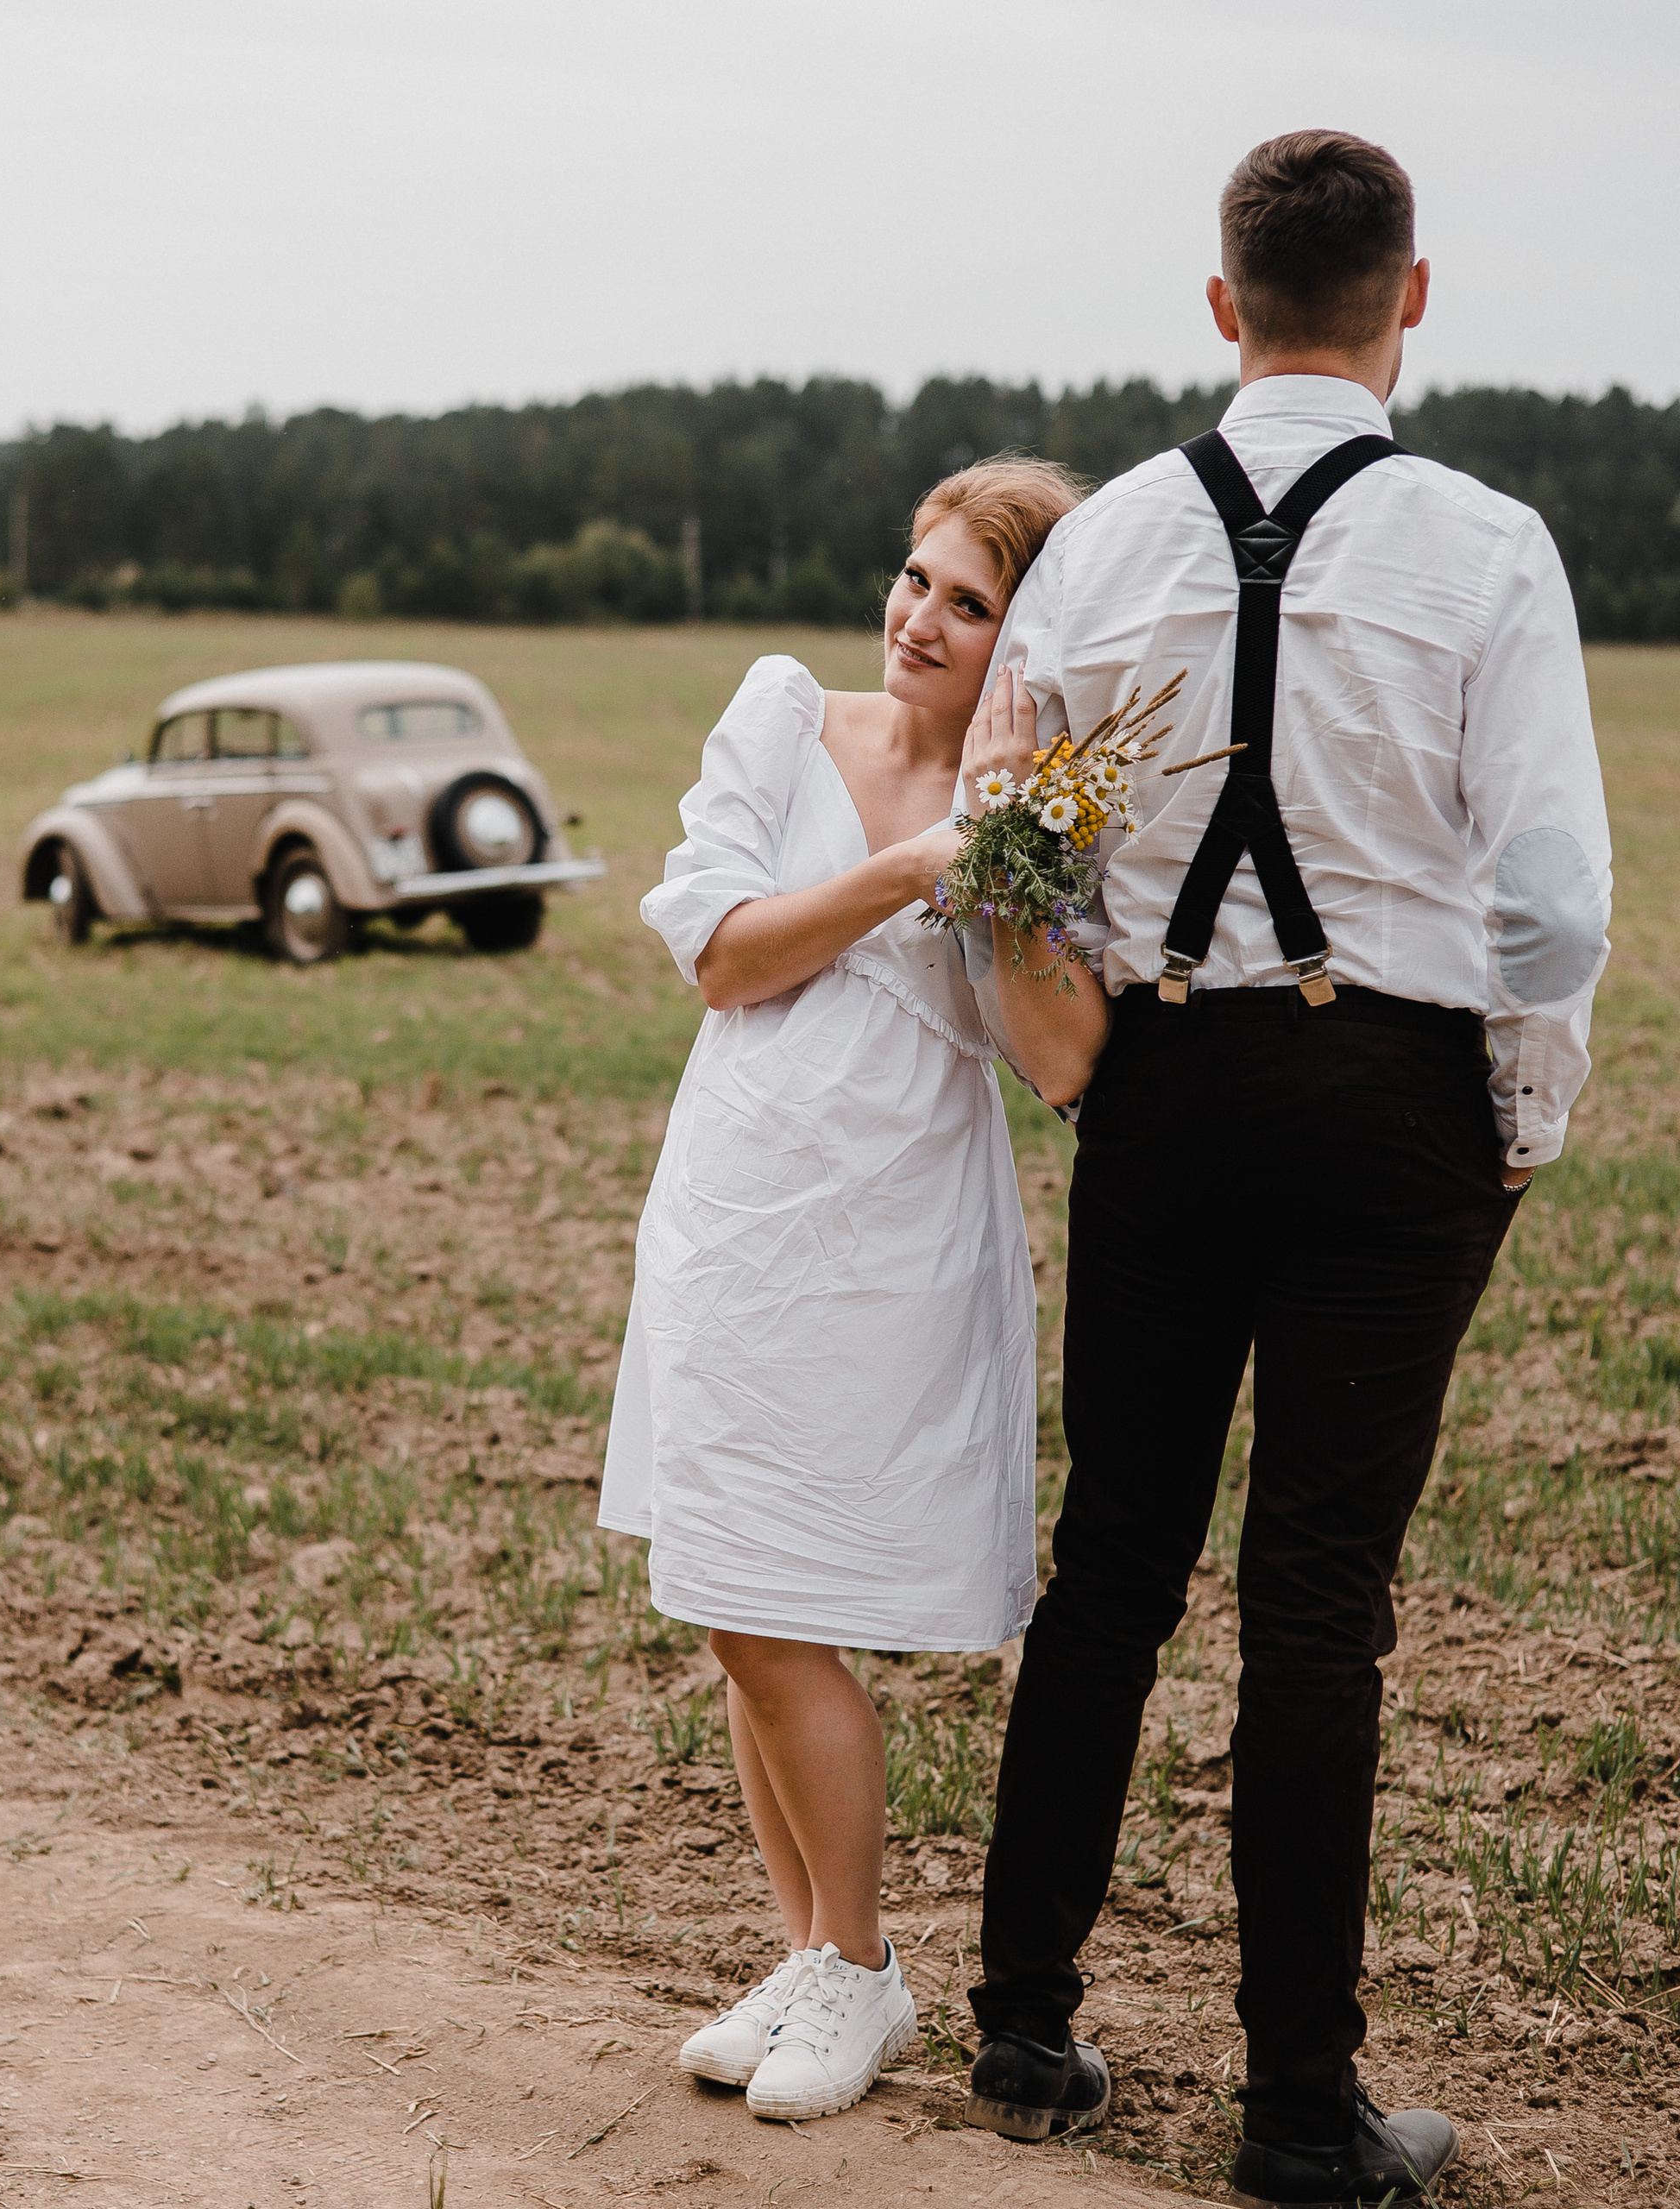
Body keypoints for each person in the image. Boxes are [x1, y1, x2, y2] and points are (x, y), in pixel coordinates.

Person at [958, 131, 1611, 2207]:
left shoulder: (1104, 540)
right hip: (1391, 1101)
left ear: (1219, 301)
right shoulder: (1483, 544)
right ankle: (1296, 2108)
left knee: (1116, 1555)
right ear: (1407, 296)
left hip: (1156, 1081)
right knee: (1318, 1597)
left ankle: (1020, 2016)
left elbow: (1007, 855)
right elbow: (1552, 905)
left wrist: (1085, 1059)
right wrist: (1512, 1130)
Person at [599, 458, 1093, 2124]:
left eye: (970, 601)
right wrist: (916, 862)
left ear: (1027, 639)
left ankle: (862, 1969)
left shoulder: (1052, 817)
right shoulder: (786, 718)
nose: (918, 619)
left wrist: (1008, 856)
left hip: (891, 1235)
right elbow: (725, 953)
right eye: (914, 578)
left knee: (781, 1600)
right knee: (738, 1596)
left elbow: (1069, 1062)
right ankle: (817, 1955)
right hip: (738, 1209)